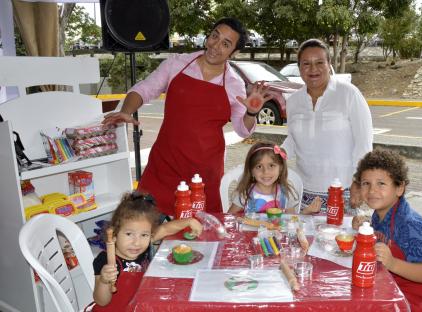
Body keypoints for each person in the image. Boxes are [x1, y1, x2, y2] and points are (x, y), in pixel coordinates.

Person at [103, 17, 270, 216]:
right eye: (214, 36)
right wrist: (126, 111)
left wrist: (251, 112)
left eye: (226, 44)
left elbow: (242, 129)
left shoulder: (233, 83)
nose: (215, 45)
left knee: (198, 233)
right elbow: (144, 89)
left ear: (234, 52)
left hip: (204, 174)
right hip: (165, 165)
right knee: (145, 223)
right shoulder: (177, 64)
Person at [281, 38, 373, 213]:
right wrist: (275, 155)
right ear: (299, 67)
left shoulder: (348, 94)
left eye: (319, 62)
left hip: (342, 191)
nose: (313, 69)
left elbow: (364, 143)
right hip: (304, 194)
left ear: (329, 64)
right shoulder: (293, 101)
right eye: (306, 63)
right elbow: (293, 140)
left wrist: (360, 181)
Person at [353, 149, 422, 312]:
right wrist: (366, 227)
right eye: (366, 183)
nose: (372, 191)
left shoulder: (410, 224)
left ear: (399, 188)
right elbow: (386, 236)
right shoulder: (379, 213)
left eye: (381, 183)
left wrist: (392, 263)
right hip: (395, 287)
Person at [92, 192, 202, 310]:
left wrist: (188, 221)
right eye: (129, 234)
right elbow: (101, 301)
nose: (136, 242)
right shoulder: (105, 260)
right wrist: (104, 281)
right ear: (114, 235)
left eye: (144, 235)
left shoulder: (141, 248)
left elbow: (165, 229)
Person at [228, 141, 321, 215]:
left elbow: (292, 221)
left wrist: (306, 212)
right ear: (251, 170)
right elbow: (229, 218)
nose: (266, 172)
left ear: (280, 168)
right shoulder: (244, 194)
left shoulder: (287, 194)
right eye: (259, 167)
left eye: (271, 165)